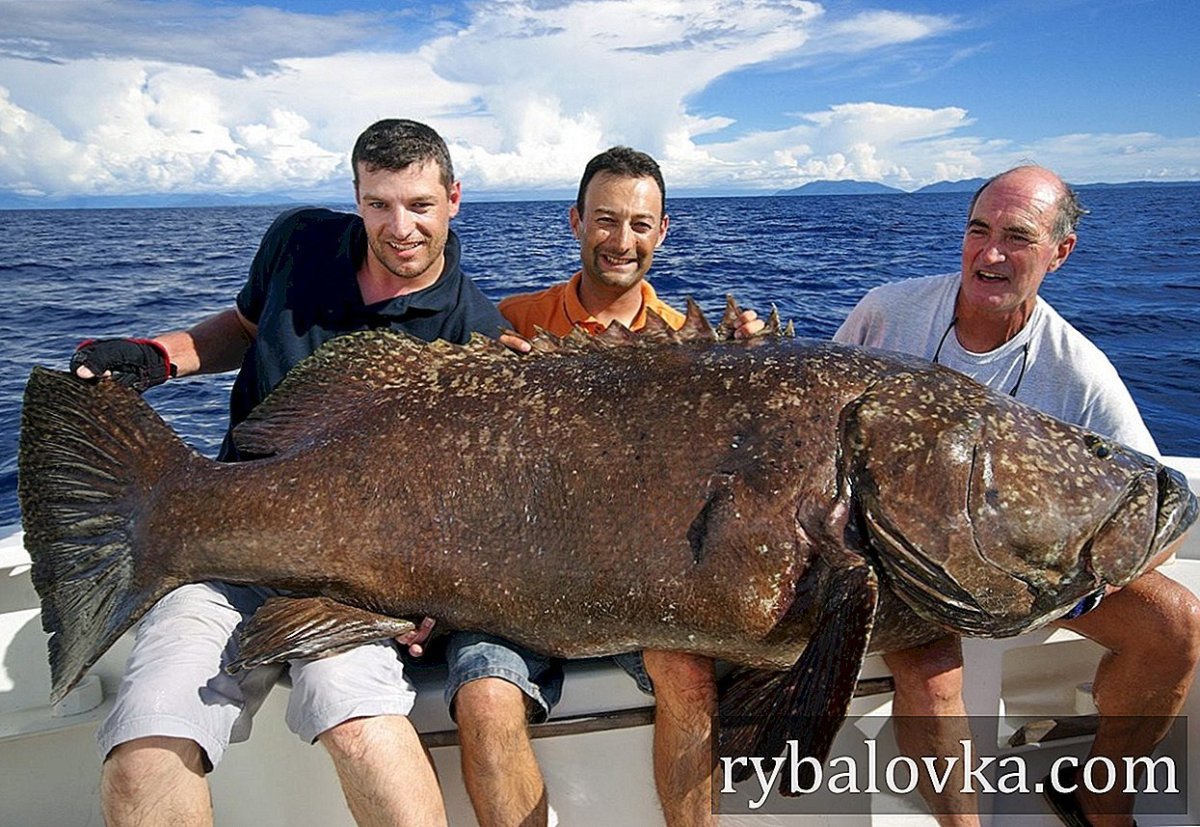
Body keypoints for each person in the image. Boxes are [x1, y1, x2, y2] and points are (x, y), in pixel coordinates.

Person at [69, 118, 558, 827]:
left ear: (454, 199)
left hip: (353, 586)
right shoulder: (297, 240)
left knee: (361, 730)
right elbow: (245, 326)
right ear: (356, 197)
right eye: (379, 204)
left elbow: (485, 505)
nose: (400, 227)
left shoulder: (474, 335)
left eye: (420, 205)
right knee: (144, 749)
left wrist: (441, 591)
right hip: (224, 552)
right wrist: (161, 356)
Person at [834, 164, 1200, 827]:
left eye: (1018, 237)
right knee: (934, 672)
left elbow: (1158, 512)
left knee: (1175, 624)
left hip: (1021, 573)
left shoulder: (1078, 369)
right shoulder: (888, 311)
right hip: (885, 556)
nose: (991, 253)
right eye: (979, 230)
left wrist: (1055, 585)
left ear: (1060, 252)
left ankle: (1102, 799)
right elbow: (813, 421)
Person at [494, 146, 762, 827]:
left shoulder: (691, 345)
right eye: (606, 219)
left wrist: (755, 371)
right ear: (576, 221)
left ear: (662, 230)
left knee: (688, 674)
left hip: (631, 577)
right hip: (521, 565)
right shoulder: (512, 320)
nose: (622, 240)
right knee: (485, 693)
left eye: (640, 224)